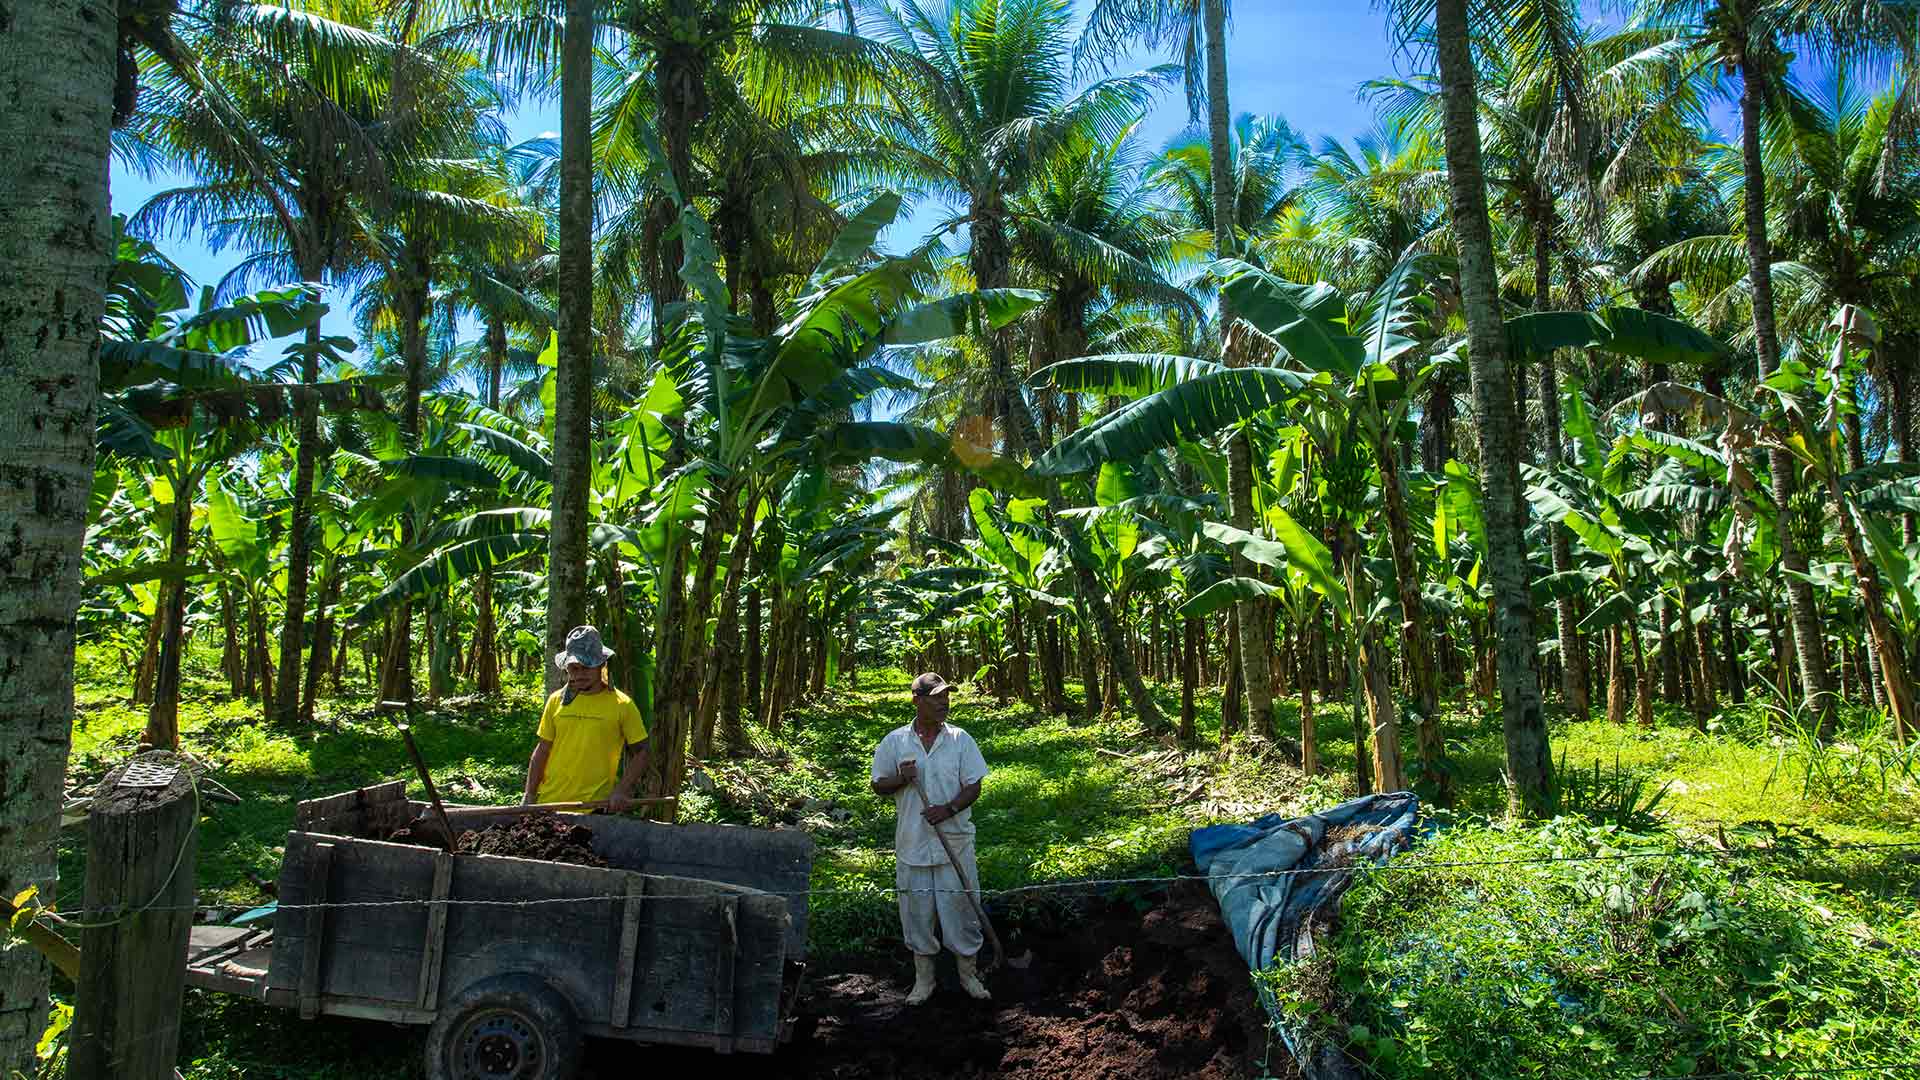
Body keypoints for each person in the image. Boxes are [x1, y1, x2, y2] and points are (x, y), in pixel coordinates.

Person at [870, 672, 992, 1004]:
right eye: (936, 697)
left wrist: (949, 808)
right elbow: (878, 785)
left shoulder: (960, 739)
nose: (943, 703)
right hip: (913, 843)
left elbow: (974, 785)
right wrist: (902, 778)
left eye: (946, 697)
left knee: (961, 910)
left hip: (954, 840)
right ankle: (924, 981)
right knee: (917, 912)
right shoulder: (895, 741)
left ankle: (969, 975)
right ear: (917, 701)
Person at [523, 626, 649, 812]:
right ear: (567, 667)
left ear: (601, 666)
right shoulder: (556, 700)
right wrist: (529, 795)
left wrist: (621, 790)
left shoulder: (622, 705)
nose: (580, 674)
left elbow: (642, 752)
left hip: (594, 809)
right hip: (549, 804)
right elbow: (542, 749)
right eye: (574, 668)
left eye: (587, 667)